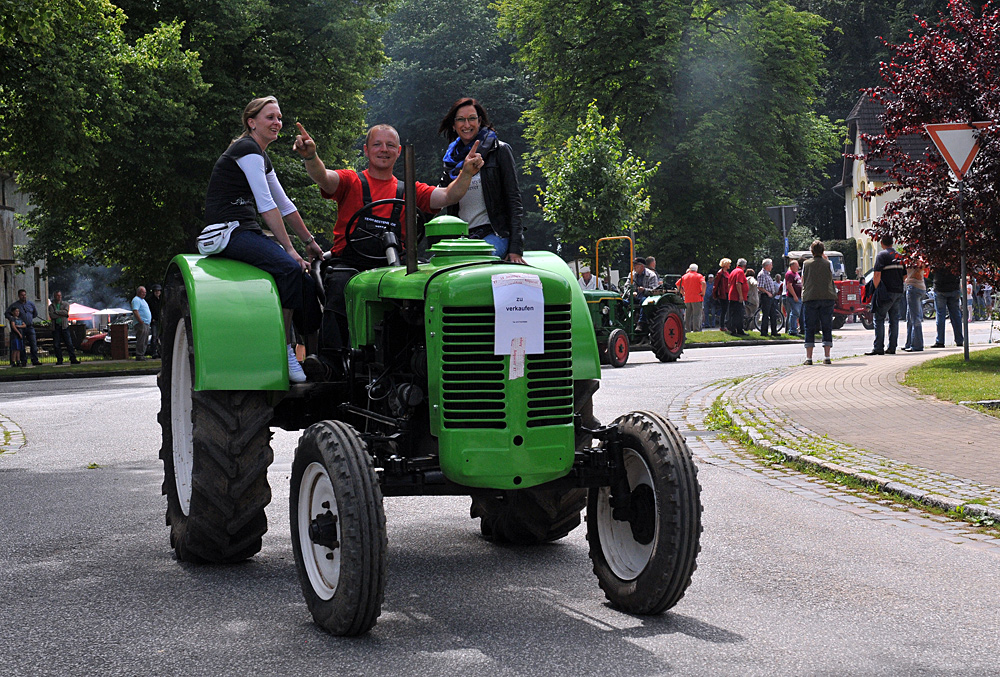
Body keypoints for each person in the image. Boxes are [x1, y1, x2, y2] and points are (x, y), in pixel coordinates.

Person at [294, 121, 481, 379]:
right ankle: (331, 362)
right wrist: (311, 156)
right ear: (366, 150)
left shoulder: (410, 190)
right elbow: (324, 177)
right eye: (377, 144)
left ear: (399, 151)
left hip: (395, 267)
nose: (384, 149)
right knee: (339, 284)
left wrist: (466, 174)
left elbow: (448, 196)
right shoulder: (351, 181)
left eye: (390, 145)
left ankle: (423, 360)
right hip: (352, 263)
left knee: (426, 288)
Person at [204, 96, 325, 384]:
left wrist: (310, 243)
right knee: (289, 268)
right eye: (270, 117)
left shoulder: (260, 155)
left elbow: (285, 204)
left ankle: (315, 356)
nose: (277, 123)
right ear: (251, 122)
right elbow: (266, 204)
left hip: (246, 231)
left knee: (309, 283)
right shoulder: (246, 149)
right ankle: (283, 350)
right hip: (226, 231)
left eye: (279, 118)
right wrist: (290, 249)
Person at [438, 98, 524, 262]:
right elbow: (440, 196)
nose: (467, 124)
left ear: (480, 121)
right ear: (453, 126)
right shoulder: (450, 160)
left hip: (494, 234)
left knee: (475, 261)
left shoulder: (500, 150)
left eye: (472, 118)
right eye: (461, 120)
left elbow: (514, 200)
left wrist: (515, 249)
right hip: (461, 238)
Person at [867, 234, 906, 355]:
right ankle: (892, 347)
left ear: (882, 244)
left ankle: (878, 347)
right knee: (894, 320)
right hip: (898, 291)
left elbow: (877, 274)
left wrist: (877, 289)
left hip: (886, 292)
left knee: (879, 318)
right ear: (892, 243)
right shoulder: (899, 257)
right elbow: (905, 276)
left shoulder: (881, 255)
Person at [801, 240, 837, 365]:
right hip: (827, 296)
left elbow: (803, 280)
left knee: (809, 327)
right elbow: (831, 276)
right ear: (823, 251)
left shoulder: (806, 264)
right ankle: (827, 356)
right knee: (827, 326)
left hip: (810, 297)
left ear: (811, 251)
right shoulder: (828, 263)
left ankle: (809, 358)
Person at [4, 289, 40, 366]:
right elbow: (7, 313)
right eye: (21, 295)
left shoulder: (30, 304)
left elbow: (35, 313)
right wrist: (13, 319)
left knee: (33, 343)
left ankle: (35, 359)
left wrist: (29, 318)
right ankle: (23, 360)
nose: (23, 296)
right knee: (21, 344)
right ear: (19, 296)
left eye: (24, 295)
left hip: (29, 326)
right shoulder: (15, 305)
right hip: (20, 328)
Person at [931, 267, 963, 347]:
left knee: (940, 315)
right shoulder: (956, 258)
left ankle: (940, 341)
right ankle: (959, 340)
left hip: (940, 288)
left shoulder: (936, 258)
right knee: (956, 315)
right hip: (954, 287)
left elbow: (932, 270)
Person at [47, 291, 80, 365]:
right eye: (57, 295)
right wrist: (61, 314)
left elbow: (66, 313)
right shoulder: (51, 306)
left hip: (64, 326)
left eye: (59, 295)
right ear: (54, 296)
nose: (58, 297)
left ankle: (73, 358)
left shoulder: (66, 304)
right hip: (56, 327)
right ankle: (59, 359)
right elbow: (52, 316)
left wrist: (57, 312)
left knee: (69, 343)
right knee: (56, 344)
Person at [902, 260, 926, 352]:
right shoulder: (920, 259)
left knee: (915, 318)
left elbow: (915, 274)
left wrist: (908, 278)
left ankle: (917, 345)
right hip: (920, 287)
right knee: (910, 317)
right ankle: (909, 343)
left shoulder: (911, 260)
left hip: (913, 287)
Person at [677, 264, 706, 333]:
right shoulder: (699, 276)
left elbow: (678, 284)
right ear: (696, 269)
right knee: (697, 315)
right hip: (697, 298)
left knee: (687, 316)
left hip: (687, 298)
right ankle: (696, 330)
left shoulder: (685, 276)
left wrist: (682, 292)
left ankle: (687, 330)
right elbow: (703, 283)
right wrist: (703, 292)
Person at [757, 259, 780, 337]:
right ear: (767, 266)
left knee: (773, 314)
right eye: (771, 265)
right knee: (766, 314)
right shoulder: (762, 274)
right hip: (766, 296)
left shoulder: (768, 274)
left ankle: (774, 331)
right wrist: (768, 293)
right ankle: (764, 332)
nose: (772, 266)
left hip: (771, 296)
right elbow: (760, 286)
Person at [727, 258, 749, 336]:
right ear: (744, 266)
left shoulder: (733, 271)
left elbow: (729, 284)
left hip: (732, 295)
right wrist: (740, 295)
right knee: (737, 314)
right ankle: (734, 330)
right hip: (736, 296)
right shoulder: (740, 272)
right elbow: (738, 283)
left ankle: (739, 329)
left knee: (737, 314)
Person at [131, 286, 152, 361]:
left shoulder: (143, 300)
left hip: (146, 323)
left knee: (145, 340)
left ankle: (142, 354)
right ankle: (139, 355)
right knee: (141, 339)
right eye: (143, 292)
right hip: (141, 323)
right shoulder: (136, 300)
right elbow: (135, 311)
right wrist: (140, 321)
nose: (144, 294)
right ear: (138, 292)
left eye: (145, 292)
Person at [783, 260, 802, 336]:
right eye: (796, 265)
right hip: (793, 297)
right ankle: (792, 330)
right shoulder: (790, 274)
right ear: (792, 266)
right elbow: (789, 286)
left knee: (797, 313)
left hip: (799, 296)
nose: (798, 267)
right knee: (794, 313)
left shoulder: (796, 273)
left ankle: (794, 329)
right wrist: (794, 296)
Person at [713, 258, 731, 332]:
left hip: (727, 293)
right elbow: (716, 284)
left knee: (726, 310)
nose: (730, 265)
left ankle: (725, 325)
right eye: (729, 264)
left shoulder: (726, 272)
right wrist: (715, 294)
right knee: (724, 310)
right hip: (723, 294)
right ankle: (722, 326)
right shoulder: (720, 273)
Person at [147, 284, 162, 358]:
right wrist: (152, 318)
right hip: (154, 320)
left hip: (161, 320)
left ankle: (160, 352)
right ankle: (153, 352)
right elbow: (149, 310)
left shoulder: (162, 300)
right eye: (156, 291)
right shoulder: (150, 300)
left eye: (159, 291)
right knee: (154, 336)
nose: (158, 292)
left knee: (161, 336)